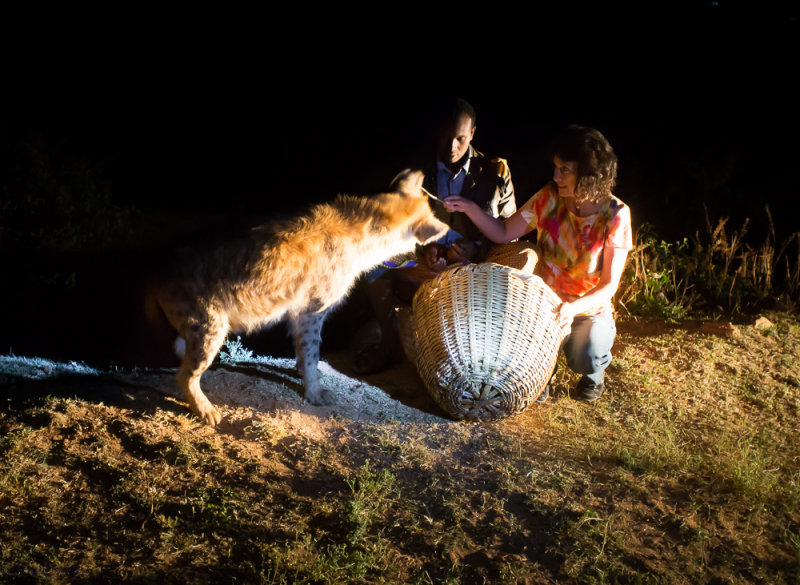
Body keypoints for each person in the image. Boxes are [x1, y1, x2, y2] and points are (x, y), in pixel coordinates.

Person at [443, 125, 632, 402]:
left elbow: (608, 285)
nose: (556, 176)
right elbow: (504, 232)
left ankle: (593, 371)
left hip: (588, 308)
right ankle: (546, 368)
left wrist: (574, 308)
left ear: (589, 172)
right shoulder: (548, 198)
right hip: (545, 305)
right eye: (555, 167)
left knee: (586, 355)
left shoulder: (616, 214)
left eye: (565, 169)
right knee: (528, 379)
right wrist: (470, 208)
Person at [351, 98, 517, 374]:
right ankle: (390, 345)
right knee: (375, 265)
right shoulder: (416, 172)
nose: (452, 147)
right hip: (428, 267)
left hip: (475, 270)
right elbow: (397, 227)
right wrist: (423, 250)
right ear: (435, 132)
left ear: (473, 132)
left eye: (461, 139)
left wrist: (476, 250)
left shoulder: (494, 172)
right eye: (445, 137)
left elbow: (509, 231)